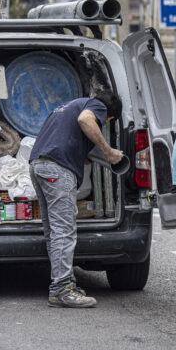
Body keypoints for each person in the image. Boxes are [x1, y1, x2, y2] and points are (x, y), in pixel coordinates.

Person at [29, 92, 123, 308]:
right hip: (57, 169)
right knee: (64, 230)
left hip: (38, 166)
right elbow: (85, 120)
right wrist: (109, 151)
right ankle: (62, 290)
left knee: (53, 231)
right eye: (105, 122)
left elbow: (69, 137)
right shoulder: (96, 106)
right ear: (109, 117)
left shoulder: (68, 106)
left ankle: (64, 283)